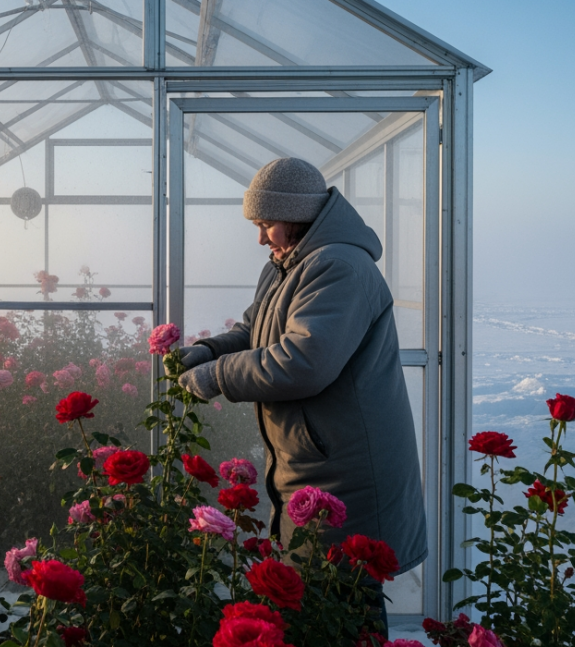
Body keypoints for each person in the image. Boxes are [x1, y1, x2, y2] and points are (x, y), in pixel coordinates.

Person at [176, 157, 428, 600]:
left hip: (344, 471)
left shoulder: (338, 268)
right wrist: (210, 349)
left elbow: (303, 362)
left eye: (266, 224)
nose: (259, 238)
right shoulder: (289, 263)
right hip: (315, 462)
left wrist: (217, 374)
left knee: (345, 606)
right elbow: (253, 331)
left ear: (298, 216)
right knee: (319, 609)